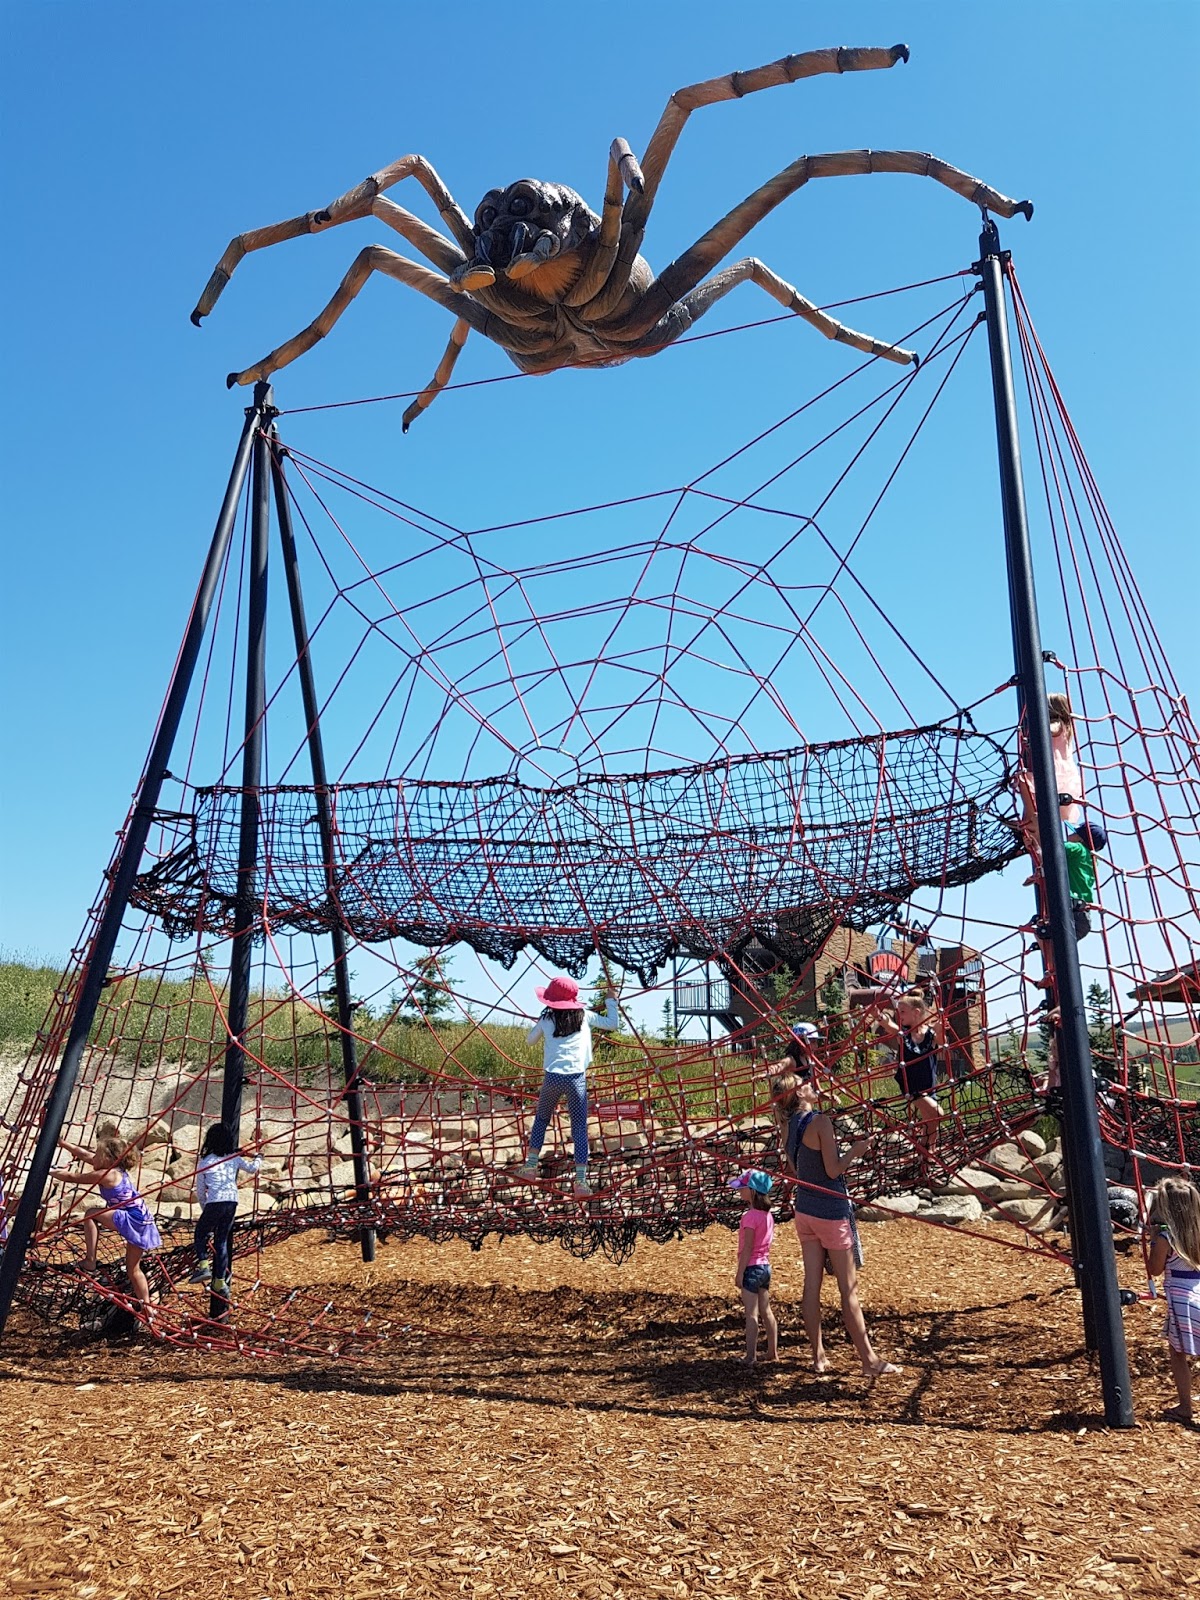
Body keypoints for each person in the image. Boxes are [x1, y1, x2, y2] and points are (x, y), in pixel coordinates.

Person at [772, 1068, 900, 1379]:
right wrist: (856, 1152)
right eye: (808, 1084)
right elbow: (832, 1170)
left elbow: (796, 1169)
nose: (814, 1086)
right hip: (830, 1212)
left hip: (805, 1211)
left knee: (811, 1285)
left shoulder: (787, 1126)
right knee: (848, 1290)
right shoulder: (820, 1122)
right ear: (800, 1093)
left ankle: (818, 1357)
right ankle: (869, 1361)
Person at [518, 975, 620, 1197]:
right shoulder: (584, 1017)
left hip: (552, 1077)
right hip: (576, 1079)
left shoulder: (547, 1019)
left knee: (542, 1119)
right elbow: (612, 1024)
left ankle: (530, 1166)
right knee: (579, 1128)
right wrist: (611, 1001)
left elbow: (529, 1040)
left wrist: (541, 1025)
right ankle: (581, 1181)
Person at [49, 1133, 162, 1314]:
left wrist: (46, 1169)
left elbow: (72, 1177)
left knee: (91, 1214)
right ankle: (147, 1306)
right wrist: (62, 1143)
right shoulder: (116, 1170)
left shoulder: (106, 1175)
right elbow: (84, 1155)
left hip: (132, 1219)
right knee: (134, 1269)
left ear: (109, 1159)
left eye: (98, 1154)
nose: (94, 1156)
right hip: (143, 1220)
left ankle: (90, 1260)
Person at [1146, 1176, 1200, 1425]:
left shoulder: (1166, 1237)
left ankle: (1186, 1407)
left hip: (1182, 1300)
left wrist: (1152, 1241)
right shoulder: (1196, 1230)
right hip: (1197, 1290)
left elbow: (1155, 1269)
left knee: (1178, 1354)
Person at [871, 988, 945, 1166]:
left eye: (903, 1012)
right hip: (911, 1085)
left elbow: (942, 1044)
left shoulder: (930, 1034)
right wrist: (879, 1016)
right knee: (937, 1113)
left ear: (916, 1012)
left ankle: (926, 1150)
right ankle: (926, 1151)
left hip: (929, 1083)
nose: (900, 1015)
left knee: (930, 1120)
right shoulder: (903, 1035)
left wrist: (940, 1029)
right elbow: (890, 1026)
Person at [190, 1123, 263, 1296]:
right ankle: (219, 1282)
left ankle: (203, 1266)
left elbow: (200, 1191)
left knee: (200, 1233)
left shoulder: (205, 1162)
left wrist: (205, 1209)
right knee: (221, 1240)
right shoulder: (234, 1157)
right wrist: (259, 1157)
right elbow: (252, 1169)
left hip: (215, 1202)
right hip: (232, 1201)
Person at [729, 1169, 778, 1368]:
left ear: (753, 1192)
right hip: (765, 1267)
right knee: (766, 1311)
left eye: (743, 1188)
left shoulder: (749, 1217)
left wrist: (740, 1272)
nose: (740, 1191)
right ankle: (772, 1351)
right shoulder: (768, 1216)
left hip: (751, 1268)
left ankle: (750, 1356)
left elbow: (748, 1247)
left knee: (751, 1314)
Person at [1047, 692, 1084, 826]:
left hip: (1058, 774)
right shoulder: (1067, 727)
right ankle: (1028, 821)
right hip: (1063, 773)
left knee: (1027, 785)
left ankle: (1029, 822)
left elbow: (1051, 729)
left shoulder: (1059, 724)